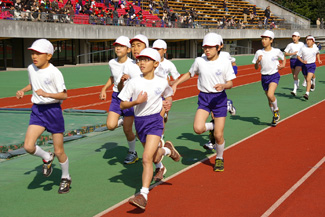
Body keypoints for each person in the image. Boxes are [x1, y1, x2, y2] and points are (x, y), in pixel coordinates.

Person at [119, 48, 181, 210]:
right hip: (140, 123)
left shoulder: (161, 81)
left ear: (155, 64)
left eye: (146, 60)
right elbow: (122, 104)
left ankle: (143, 195)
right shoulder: (133, 82)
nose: (141, 63)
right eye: (140, 60)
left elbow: (169, 94)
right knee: (154, 158)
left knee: (146, 158)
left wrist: (168, 103)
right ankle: (167, 150)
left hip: (155, 121)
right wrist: (135, 102)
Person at [172, 33, 236, 172]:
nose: (207, 50)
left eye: (210, 47)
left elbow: (231, 82)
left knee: (219, 135)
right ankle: (213, 126)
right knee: (198, 129)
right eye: (205, 47)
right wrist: (176, 83)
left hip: (219, 99)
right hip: (204, 99)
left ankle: (219, 158)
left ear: (219, 47)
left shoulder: (224, 62)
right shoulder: (199, 61)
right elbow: (190, 74)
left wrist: (223, 85)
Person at [16, 39, 71, 194]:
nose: (34, 56)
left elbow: (64, 95)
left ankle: (66, 177)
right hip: (38, 111)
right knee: (28, 146)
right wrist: (23, 90)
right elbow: (33, 84)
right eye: (33, 53)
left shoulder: (55, 73)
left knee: (59, 151)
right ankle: (47, 157)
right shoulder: (31, 68)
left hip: (53, 111)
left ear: (48, 56)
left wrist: (46, 94)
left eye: (38, 53)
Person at [99, 35, 140, 164]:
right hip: (116, 96)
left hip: (128, 98)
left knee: (127, 130)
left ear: (128, 50)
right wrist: (104, 89)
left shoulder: (133, 64)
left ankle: (132, 152)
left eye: (121, 46)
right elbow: (112, 77)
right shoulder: (112, 62)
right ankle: (120, 121)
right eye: (116, 46)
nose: (118, 48)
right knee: (110, 126)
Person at [116, 34, 148, 164]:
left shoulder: (151, 64)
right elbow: (120, 89)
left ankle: (159, 159)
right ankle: (132, 152)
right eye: (133, 46)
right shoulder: (128, 65)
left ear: (146, 47)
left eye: (138, 45)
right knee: (127, 129)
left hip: (146, 105)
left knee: (143, 136)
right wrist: (122, 81)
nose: (135, 49)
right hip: (132, 102)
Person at [201, 34, 237, 151]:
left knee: (214, 116)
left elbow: (233, 65)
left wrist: (228, 78)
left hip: (220, 86)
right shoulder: (205, 56)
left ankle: (213, 141)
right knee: (213, 118)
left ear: (220, 46)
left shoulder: (226, 56)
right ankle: (228, 104)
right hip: (208, 88)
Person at [151, 39, 180, 181]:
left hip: (163, 98)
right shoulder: (149, 62)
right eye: (154, 48)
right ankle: (164, 153)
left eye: (159, 49)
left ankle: (159, 163)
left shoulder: (168, 64)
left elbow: (177, 77)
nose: (156, 51)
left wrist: (171, 85)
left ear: (164, 51)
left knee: (158, 126)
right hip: (150, 99)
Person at [252, 30, 286, 127]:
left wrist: (283, 65)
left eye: (266, 39)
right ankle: (275, 116)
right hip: (264, 77)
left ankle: (276, 111)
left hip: (274, 75)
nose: (263, 41)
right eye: (262, 39)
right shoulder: (259, 52)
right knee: (269, 99)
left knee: (271, 95)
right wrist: (257, 62)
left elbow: (283, 57)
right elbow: (255, 68)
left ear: (271, 40)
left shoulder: (276, 51)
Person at [297, 35, 322, 100]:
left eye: (310, 40)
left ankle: (307, 93)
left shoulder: (315, 48)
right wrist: (302, 61)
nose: (308, 42)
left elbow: (318, 53)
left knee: (308, 79)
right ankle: (312, 83)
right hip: (304, 65)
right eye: (307, 40)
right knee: (307, 78)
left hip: (312, 65)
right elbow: (298, 56)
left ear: (313, 42)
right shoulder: (303, 48)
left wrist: (318, 59)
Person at [284, 32, 304, 96]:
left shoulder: (302, 44)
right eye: (293, 36)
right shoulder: (290, 45)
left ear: (299, 37)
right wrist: (292, 53)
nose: (294, 38)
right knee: (294, 75)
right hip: (292, 60)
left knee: (295, 75)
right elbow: (286, 53)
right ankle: (297, 81)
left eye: (295, 36)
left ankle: (294, 90)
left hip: (299, 60)